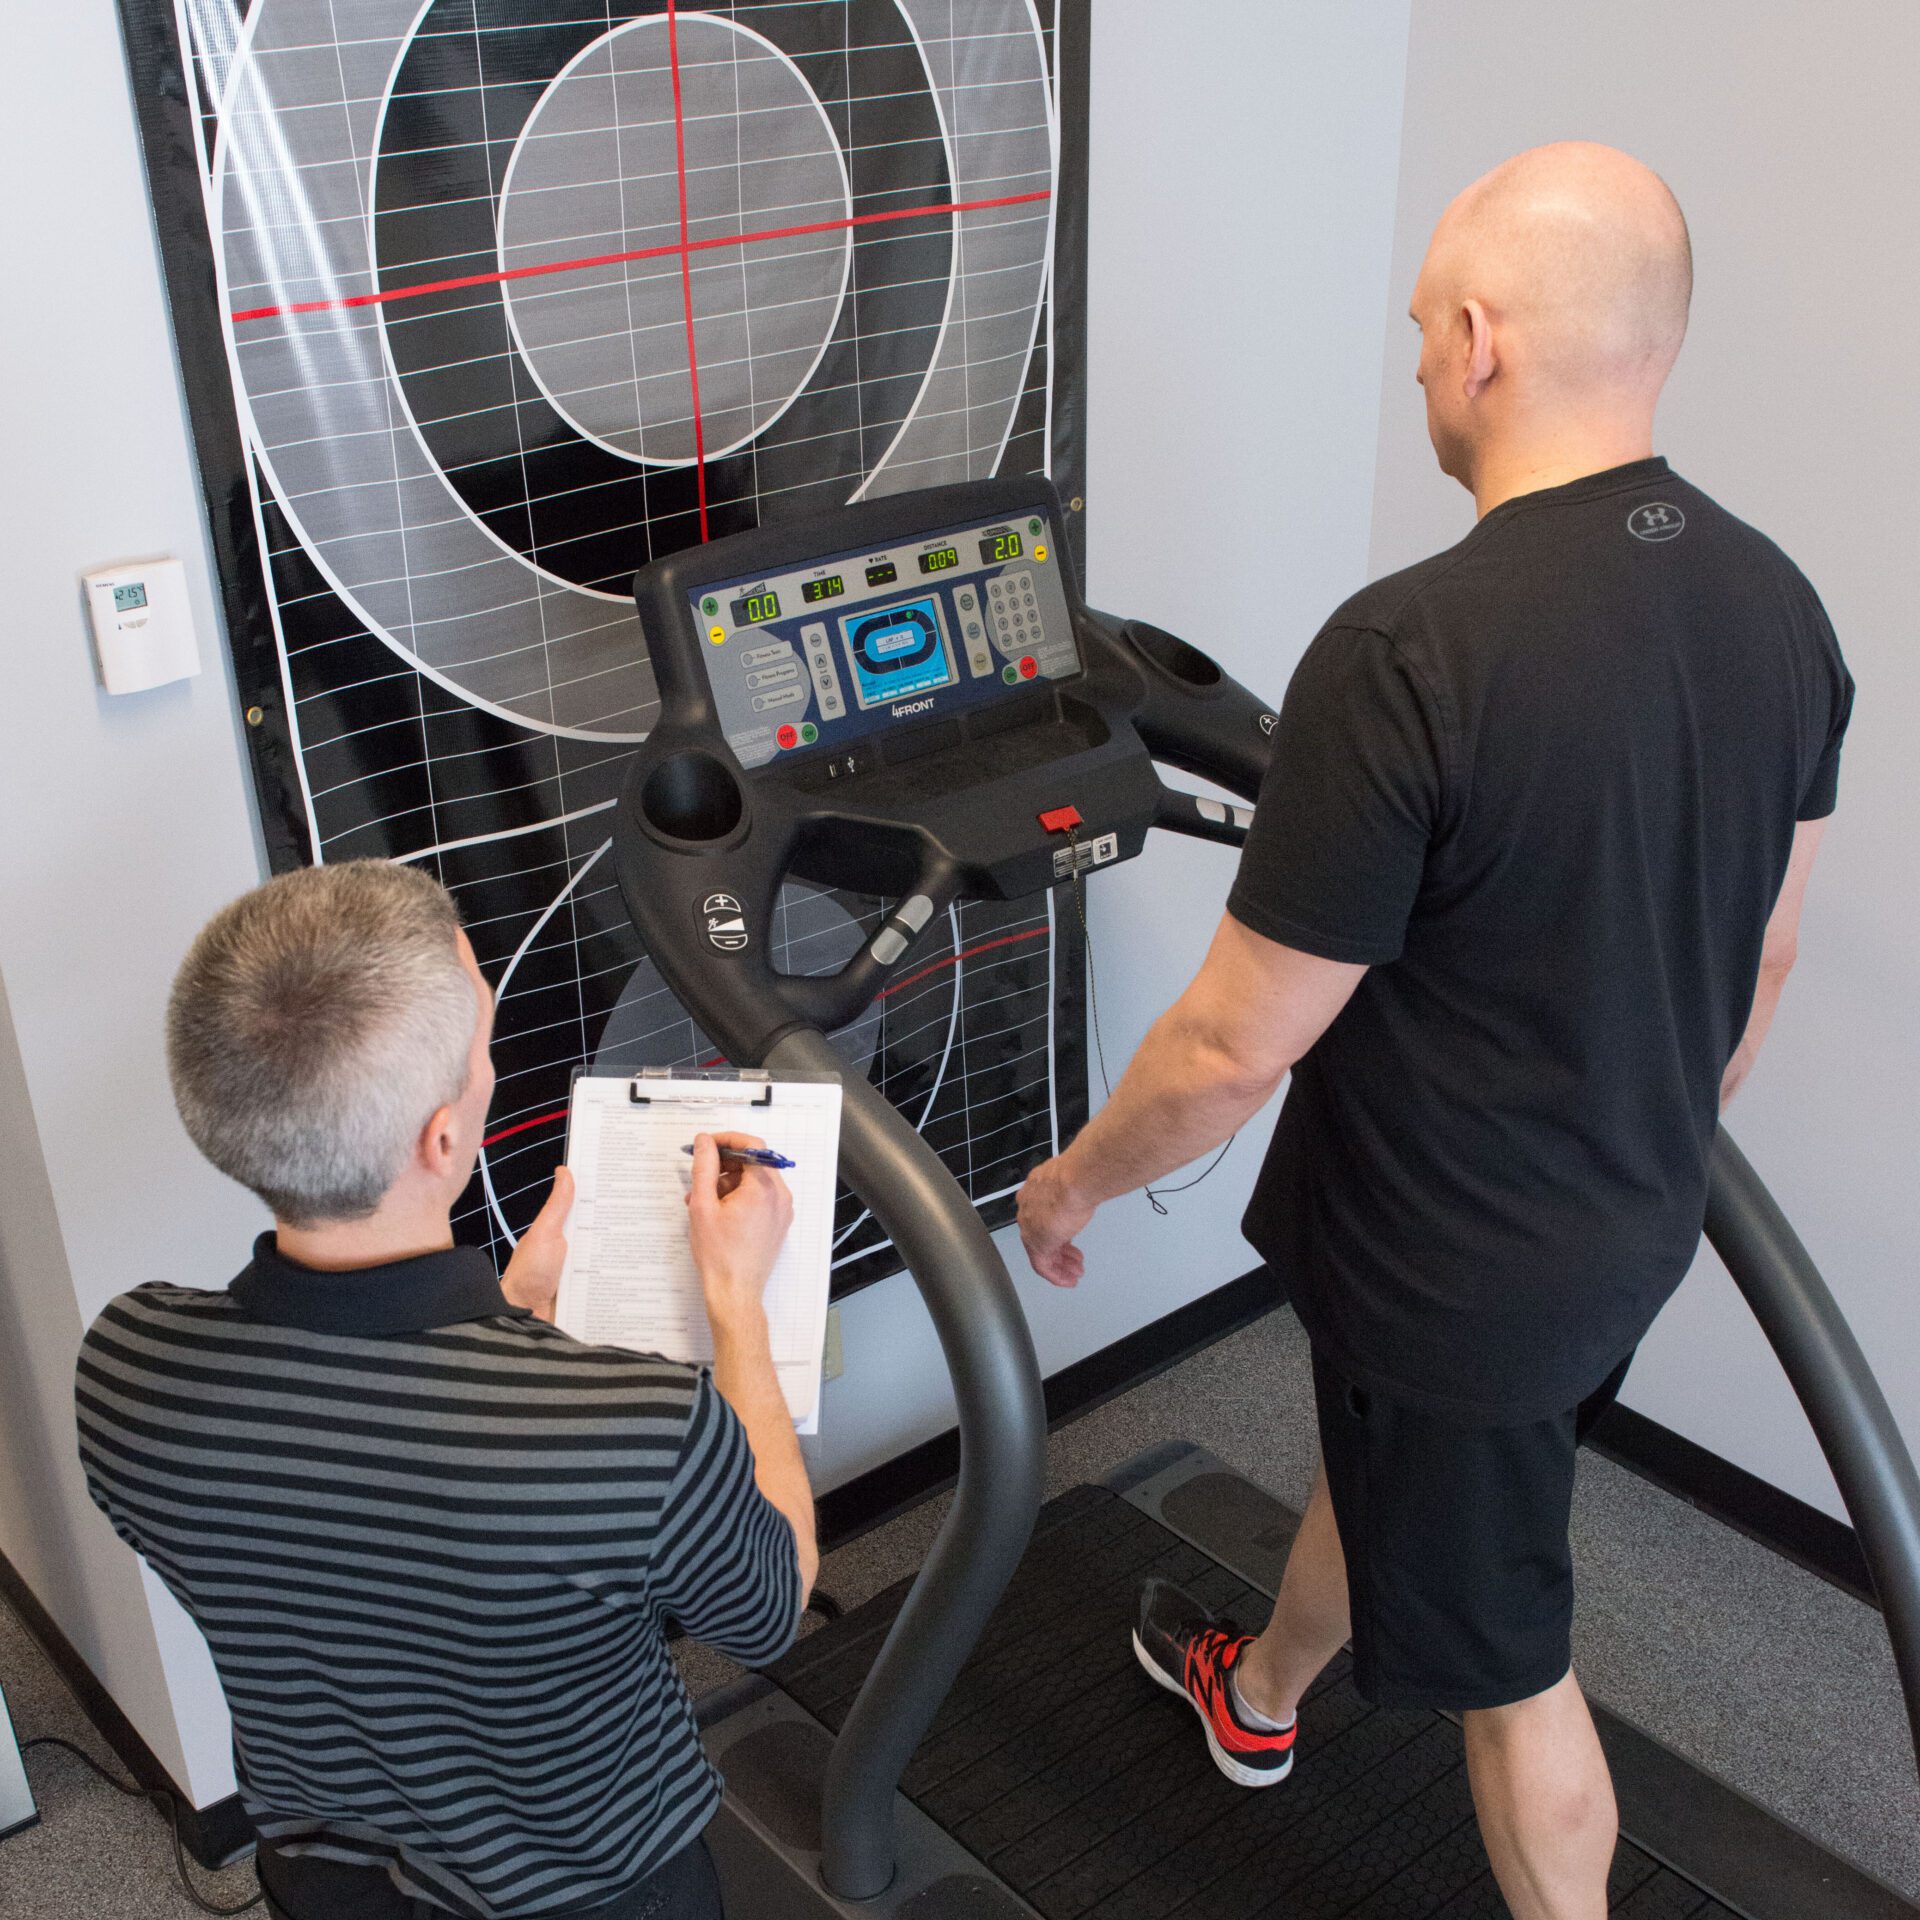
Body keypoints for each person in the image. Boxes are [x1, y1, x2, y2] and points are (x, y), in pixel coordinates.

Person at [1016, 142, 1852, 1920]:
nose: (1410, 365)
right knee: (1395, 1465)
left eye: (1418, 331)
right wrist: (1636, 1145)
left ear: (1482, 339)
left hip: (1457, 1268)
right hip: (1629, 1224)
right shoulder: (1780, 605)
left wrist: (1074, 1186)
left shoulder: (1411, 648)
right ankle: (1264, 1696)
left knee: (1511, 1670)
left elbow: (1235, 1047)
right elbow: (1766, 947)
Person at [74, 860, 815, 1920]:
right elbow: (773, 1601)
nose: (490, 1052)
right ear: (442, 1140)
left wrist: (508, 1323)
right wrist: (739, 1304)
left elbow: (351, 1510)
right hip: (595, 1894)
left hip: (322, 1882)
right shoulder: (641, 1431)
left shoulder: (125, 1368)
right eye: (481, 1039)